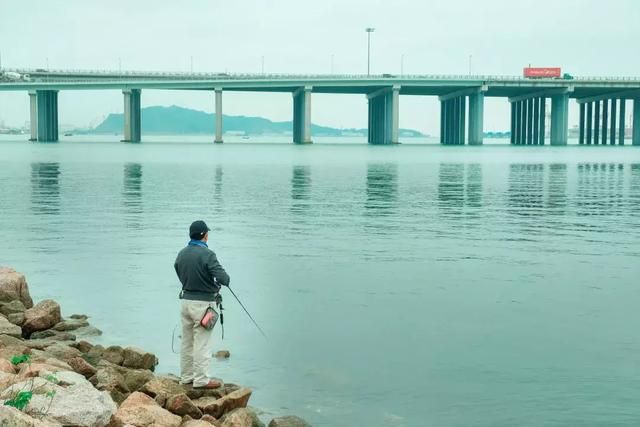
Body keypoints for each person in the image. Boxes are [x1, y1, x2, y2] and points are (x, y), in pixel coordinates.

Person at [174, 220, 230, 389]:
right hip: (203, 305)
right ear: (205, 235)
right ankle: (201, 380)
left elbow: (177, 269)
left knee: (187, 341)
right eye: (207, 234)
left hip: (185, 302)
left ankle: (186, 377)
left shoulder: (182, 253)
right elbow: (224, 279)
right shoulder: (208, 255)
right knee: (202, 343)